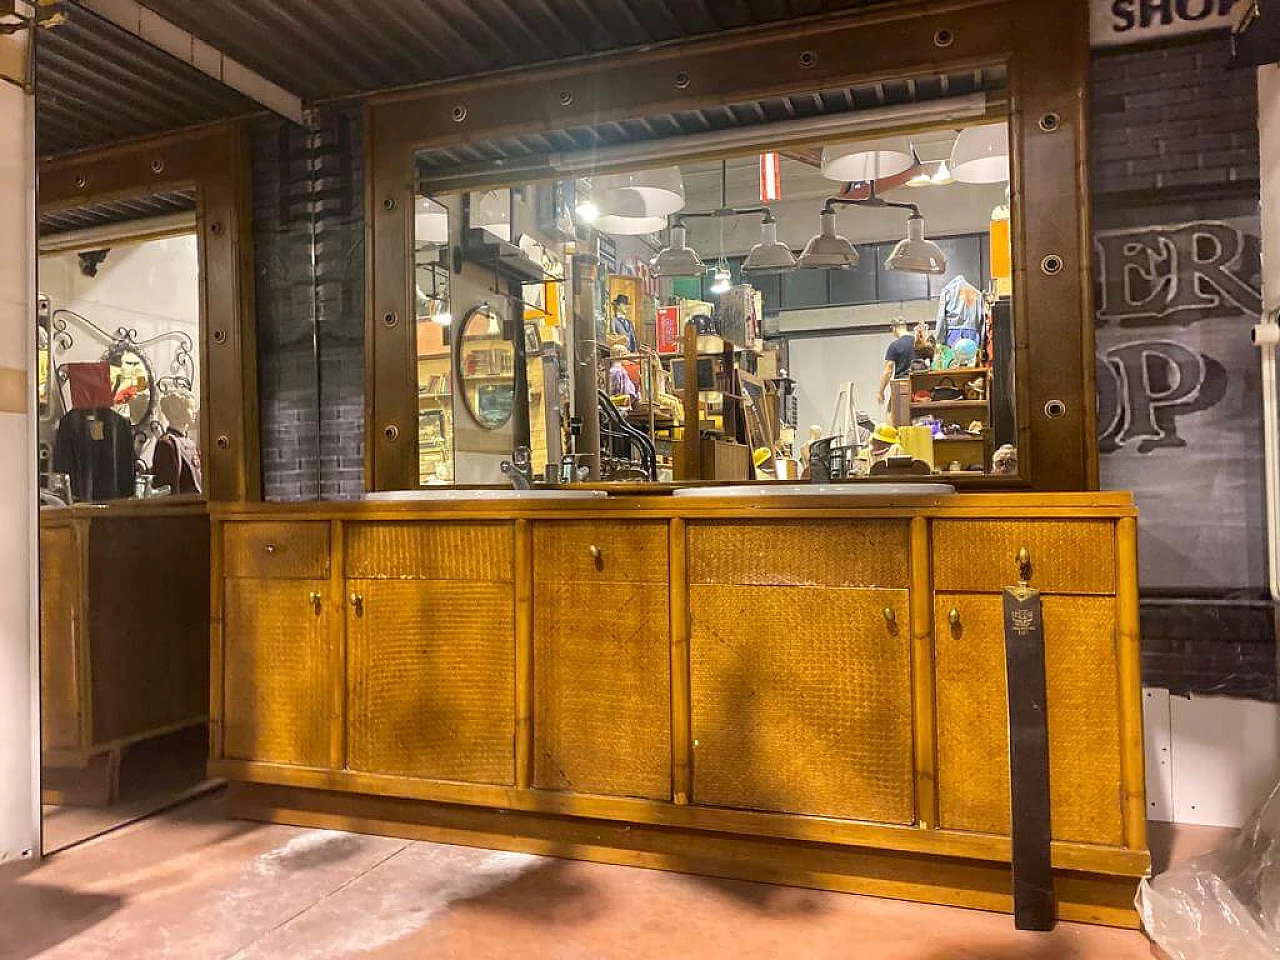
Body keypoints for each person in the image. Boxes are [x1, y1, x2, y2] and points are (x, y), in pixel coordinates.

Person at [877, 318, 915, 410]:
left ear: (894, 328)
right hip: (918, 385)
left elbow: (888, 371)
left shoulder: (895, 345)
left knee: (892, 415)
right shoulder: (918, 342)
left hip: (901, 386)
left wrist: (881, 391)